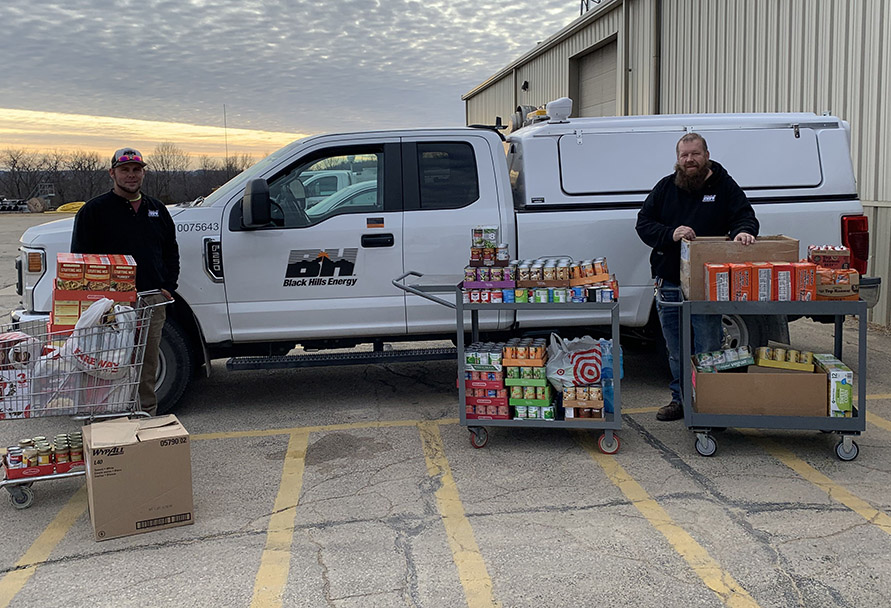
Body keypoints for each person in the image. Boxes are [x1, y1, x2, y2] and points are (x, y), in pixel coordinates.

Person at [635, 133, 759, 421]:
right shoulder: (666, 187)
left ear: (706, 154)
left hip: (707, 283)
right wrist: (671, 233)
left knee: (708, 347)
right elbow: (643, 224)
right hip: (669, 282)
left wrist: (744, 232)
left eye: (695, 154)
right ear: (677, 159)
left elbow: (746, 216)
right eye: (684, 155)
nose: (689, 160)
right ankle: (681, 400)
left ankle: (710, 404)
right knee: (676, 349)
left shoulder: (724, 186)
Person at [71, 147, 180, 416]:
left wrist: (168, 286)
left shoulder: (156, 209)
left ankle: (146, 414)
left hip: (151, 298)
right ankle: (108, 415)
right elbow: (81, 258)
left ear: (143, 173)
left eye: (136, 169)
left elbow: (171, 251)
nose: (131, 175)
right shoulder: (93, 211)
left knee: (147, 361)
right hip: (111, 304)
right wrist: (96, 301)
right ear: (112, 173)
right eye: (125, 170)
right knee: (109, 359)